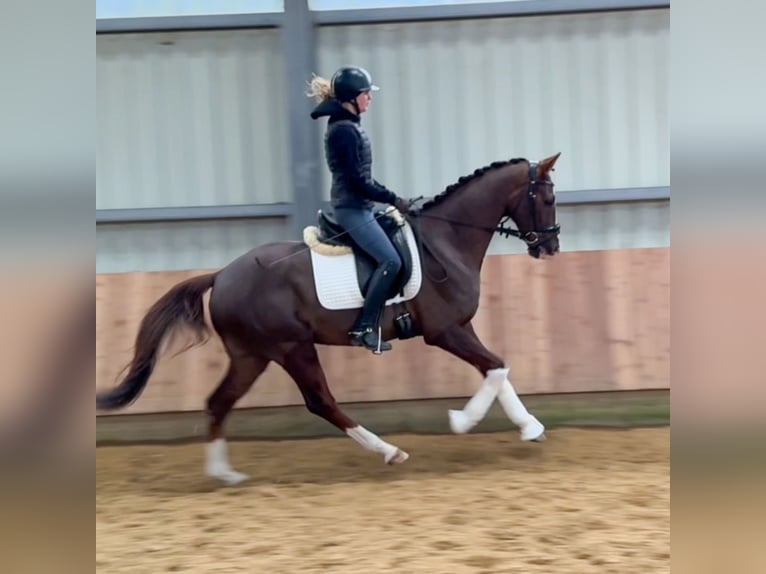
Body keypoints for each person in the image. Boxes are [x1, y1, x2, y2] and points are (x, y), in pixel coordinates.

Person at [308, 66, 411, 354]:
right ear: (352, 97)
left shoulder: (350, 127)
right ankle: (364, 327)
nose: (370, 98)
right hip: (351, 209)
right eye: (366, 94)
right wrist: (393, 198)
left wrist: (392, 198)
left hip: (360, 205)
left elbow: (363, 178)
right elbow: (358, 182)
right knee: (391, 261)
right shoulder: (343, 132)